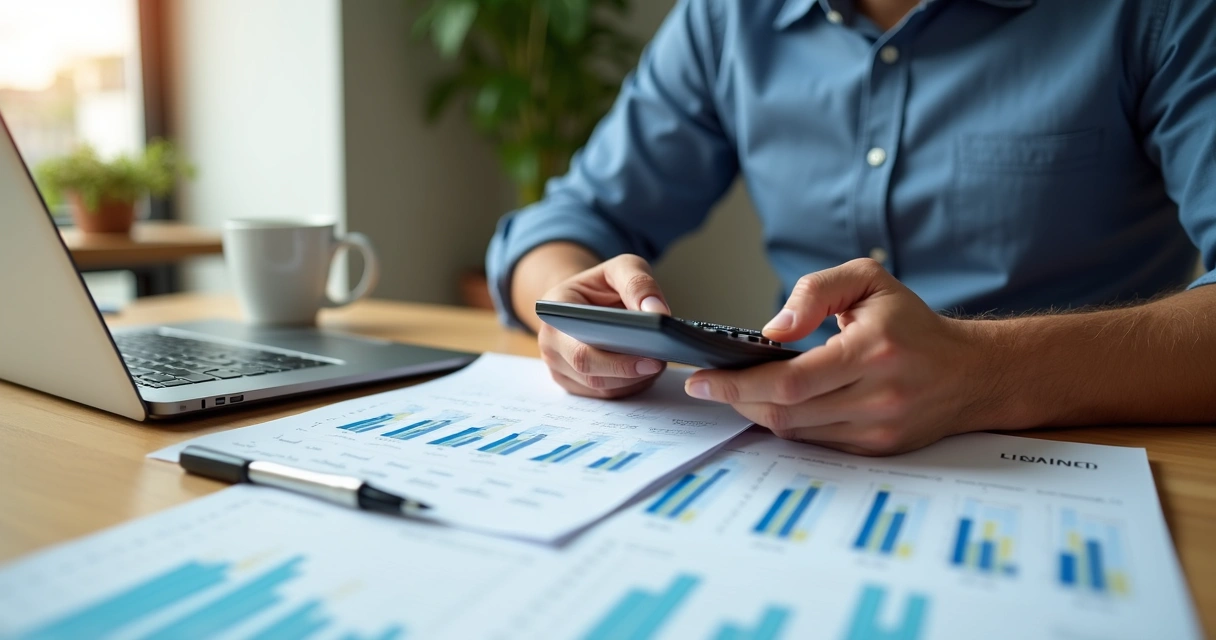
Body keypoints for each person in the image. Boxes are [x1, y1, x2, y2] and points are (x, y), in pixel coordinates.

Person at [485, 0, 1216, 455]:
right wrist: (567, 305)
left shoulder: (1159, 12)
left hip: (1085, 458)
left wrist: (986, 372)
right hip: (792, 455)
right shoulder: (726, 17)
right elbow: (567, 219)